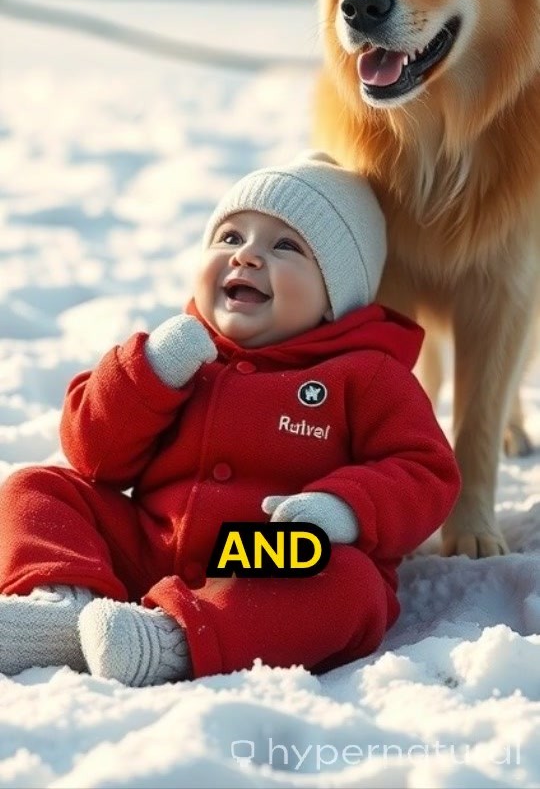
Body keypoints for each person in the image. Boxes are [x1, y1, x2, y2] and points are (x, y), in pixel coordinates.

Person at [0, 154, 460, 686]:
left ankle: (171, 642)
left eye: (285, 246)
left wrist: (345, 507)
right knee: (38, 488)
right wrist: (146, 374)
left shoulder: (366, 375)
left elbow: (425, 470)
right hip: (154, 541)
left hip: (268, 556)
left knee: (350, 587)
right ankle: (65, 609)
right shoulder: (181, 355)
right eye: (230, 237)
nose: (247, 255)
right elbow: (95, 457)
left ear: (335, 297)